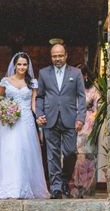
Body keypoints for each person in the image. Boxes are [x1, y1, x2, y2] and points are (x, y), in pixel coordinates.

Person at [0, 52, 50, 199]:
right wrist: (2, 110)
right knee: (10, 152)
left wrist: (39, 116)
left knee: (25, 153)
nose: (22, 67)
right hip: (10, 122)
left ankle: (25, 187)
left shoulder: (32, 82)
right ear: (14, 65)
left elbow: (33, 104)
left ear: (28, 66)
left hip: (26, 122)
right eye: (19, 64)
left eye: (25, 64)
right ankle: (9, 188)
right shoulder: (5, 81)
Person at [36, 44, 86, 199]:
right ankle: (56, 187)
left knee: (70, 152)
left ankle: (64, 179)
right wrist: (40, 113)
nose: (57, 58)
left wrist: (80, 117)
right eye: (54, 56)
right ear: (51, 57)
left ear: (66, 55)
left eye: (60, 55)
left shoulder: (76, 73)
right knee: (52, 155)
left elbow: (81, 97)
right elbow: (40, 96)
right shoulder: (44, 73)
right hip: (49, 120)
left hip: (70, 119)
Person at [69, 65, 100, 198]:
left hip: (87, 126)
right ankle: (73, 189)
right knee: (70, 156)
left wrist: (89, 120)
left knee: (85, 157)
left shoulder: (93, 90)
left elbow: (98, 108)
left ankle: (86, 190)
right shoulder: (70, 89)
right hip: (70, 123)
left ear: (85, 75)